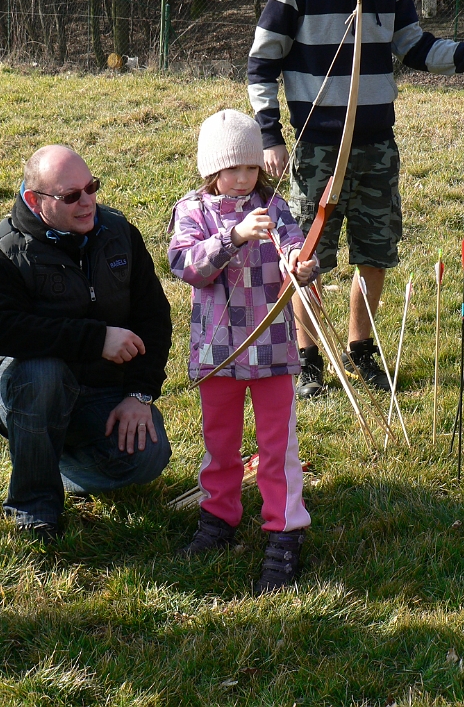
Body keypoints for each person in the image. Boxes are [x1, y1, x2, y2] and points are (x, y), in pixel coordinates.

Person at [248, 0, 464, 398]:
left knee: (375, 254)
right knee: (305, 258)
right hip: (319, 150)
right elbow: (262, 66)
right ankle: (308, 360)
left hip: (376, 147)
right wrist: (270, 136)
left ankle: (361, 351)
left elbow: (418, 49)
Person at [0, 145, 172, 542]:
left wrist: (139, 394)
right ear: (35, 201)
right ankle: (34, 508)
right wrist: (96, 339)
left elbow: (154, 317)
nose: (87, 202)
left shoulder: (119, 233)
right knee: (42, 372)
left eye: (92, 187)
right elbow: (3, 331)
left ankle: (53, 464)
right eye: (71, 196)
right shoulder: (2, 251)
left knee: (148, 455)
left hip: (99, 387)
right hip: (22, 389)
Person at [168, 110, 317, 593]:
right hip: (219, 354)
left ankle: (285, 530)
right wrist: (232, 237)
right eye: (232, 168)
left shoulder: (273, 207)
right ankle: (218, 518)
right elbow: (186, 265)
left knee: (278, 447)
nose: (242, 178)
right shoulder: (193, 210)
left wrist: (300, 262)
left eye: (250, 167)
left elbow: (294, 246)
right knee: (220, 443)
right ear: (212, 168)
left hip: (271, 349)